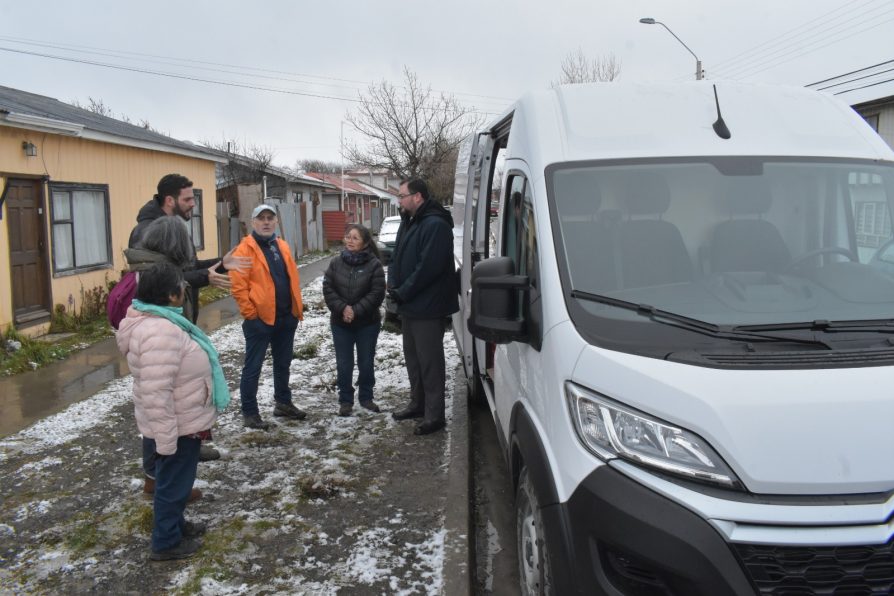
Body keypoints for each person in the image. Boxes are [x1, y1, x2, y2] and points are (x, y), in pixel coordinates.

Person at [127, 174, 248, 496]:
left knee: (177, 397)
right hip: (158, 328)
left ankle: (174, 463)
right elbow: (166, 279)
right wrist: (206, 278)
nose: (193, 205)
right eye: (188, 199)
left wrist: (219, 264)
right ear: (170, 200)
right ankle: (159, 479)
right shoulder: (150, 230)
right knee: (159, 400)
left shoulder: (170, 225)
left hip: (172, 321)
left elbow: (184, 269)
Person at [116, 263, 229, 561]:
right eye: (181, 285)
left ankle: (176, 526)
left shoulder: (160, 321)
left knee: (177, 481)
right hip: (176, 425)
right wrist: (166, 439)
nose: (185, 289)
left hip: (182, 418)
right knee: (171, 484)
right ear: (171, 295)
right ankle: (166, 542)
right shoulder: (160, 332)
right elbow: (157, 391)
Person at [388, 179, 459, 435]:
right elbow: (396, 258)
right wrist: (393, 285)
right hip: (410, 306)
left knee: (430, 363)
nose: (399, 200)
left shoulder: (436, 225)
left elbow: (428, 268)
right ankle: (417, 404)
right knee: (414, 360)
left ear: (417, 197)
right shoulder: (410, 221)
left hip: (428, 307)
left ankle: (434, 415)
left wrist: (403, 291)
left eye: (402, 195)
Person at [230, 204, 306, 430]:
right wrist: (251, 315)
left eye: (269, 218)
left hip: (285, 317)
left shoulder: (281, 245)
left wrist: (295, 309)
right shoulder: (244, 250)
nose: (266, 222)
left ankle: (283, 403)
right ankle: (250, 412)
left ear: (275, 222)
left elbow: (291, 277)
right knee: (253, 367)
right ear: (253, 223)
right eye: (261, 218)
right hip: (260, 321)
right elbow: (238, 287)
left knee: (283, 364)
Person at [322, 224, 386, 417]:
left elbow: (377, 293)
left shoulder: (374, 265)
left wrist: (355, 310)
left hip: (367, 323)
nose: (350, 241)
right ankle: (345, 400)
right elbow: (328, 288)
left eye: (355, 238)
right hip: (341, 324)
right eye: (348, 237)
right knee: (344, 364)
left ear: (365, 243)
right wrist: (343, 308)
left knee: (366, 362)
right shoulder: (335, 262)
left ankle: (366, 397)